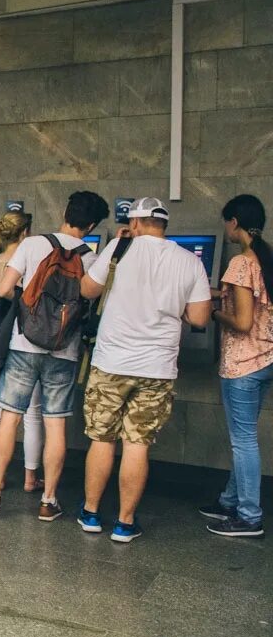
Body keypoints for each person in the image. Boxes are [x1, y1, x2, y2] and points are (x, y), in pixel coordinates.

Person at [77, 198, 211, 542]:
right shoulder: (189, 261)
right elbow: (198, 318)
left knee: (101, 438)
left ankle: (91, 513)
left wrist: (117, 247)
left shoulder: (118, 249)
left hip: (110, 364)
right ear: (163, 225)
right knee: (137, 444)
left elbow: (87, 290)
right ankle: (125, 522)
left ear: (134, 223)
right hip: (157, 368)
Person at [0, 191, 108, 518]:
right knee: (55, 425)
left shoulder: (32, 245)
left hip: (24, 345)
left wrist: (28, 301)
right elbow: (92, 300)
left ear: (65, 212)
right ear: (91, 224)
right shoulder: (89, 257)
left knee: (10, 416)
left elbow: (6, 289)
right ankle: (48, 501)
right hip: (64, 350)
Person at [201, 195, 272, 538]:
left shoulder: (241, 263)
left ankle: (248, 515)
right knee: (243, 438)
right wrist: (217, 294)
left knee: (243, 441)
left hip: (243, 364)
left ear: (233, 222)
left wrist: (212, 313)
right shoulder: (265, 258)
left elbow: (242, 321)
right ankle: (231, 500)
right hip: (265, 359)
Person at [0, 211, 44, 493]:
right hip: (25, 339)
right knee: (31, 412)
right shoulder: (32, 262)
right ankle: (31, 479)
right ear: (24, 233)